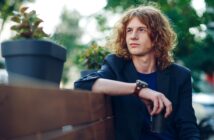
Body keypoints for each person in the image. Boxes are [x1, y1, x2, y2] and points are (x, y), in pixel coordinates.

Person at [74, 5, 200, 140]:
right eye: (129, 30)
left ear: (157, 35)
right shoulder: (116, 65)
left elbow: (188, 127)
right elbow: (83, 84)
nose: (133, 36)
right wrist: (138, 89)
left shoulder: (180, 75)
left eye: (141, 30)